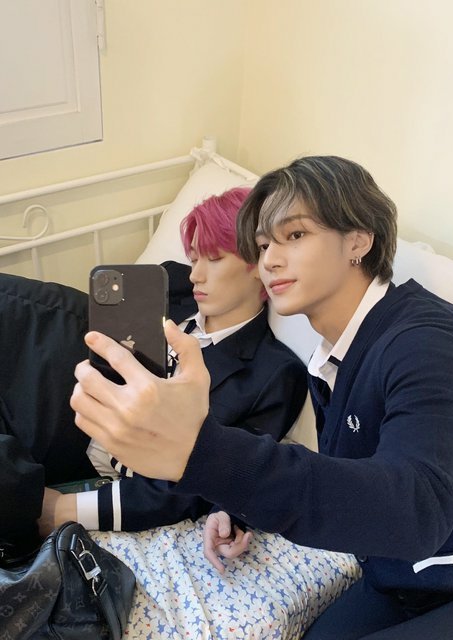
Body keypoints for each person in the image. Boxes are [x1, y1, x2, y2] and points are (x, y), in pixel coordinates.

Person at [71, 156, 453, 640]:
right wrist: (238, 507)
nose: (269, 260)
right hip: (393, 573)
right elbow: (349, 479)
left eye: (295, 235)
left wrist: (201, 450)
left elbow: (417, 507)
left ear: (358, 241)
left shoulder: (427, 340)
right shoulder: (332, 358)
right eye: (264, 245)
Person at [38, 186, 307, 535]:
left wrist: (62, 510)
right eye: (194, 259)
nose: (196, 275)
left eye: (214, 258)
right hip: (55, 410)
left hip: (92, 466)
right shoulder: (169, 284)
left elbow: (221, 473)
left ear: (260, 263)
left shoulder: (275, 373)